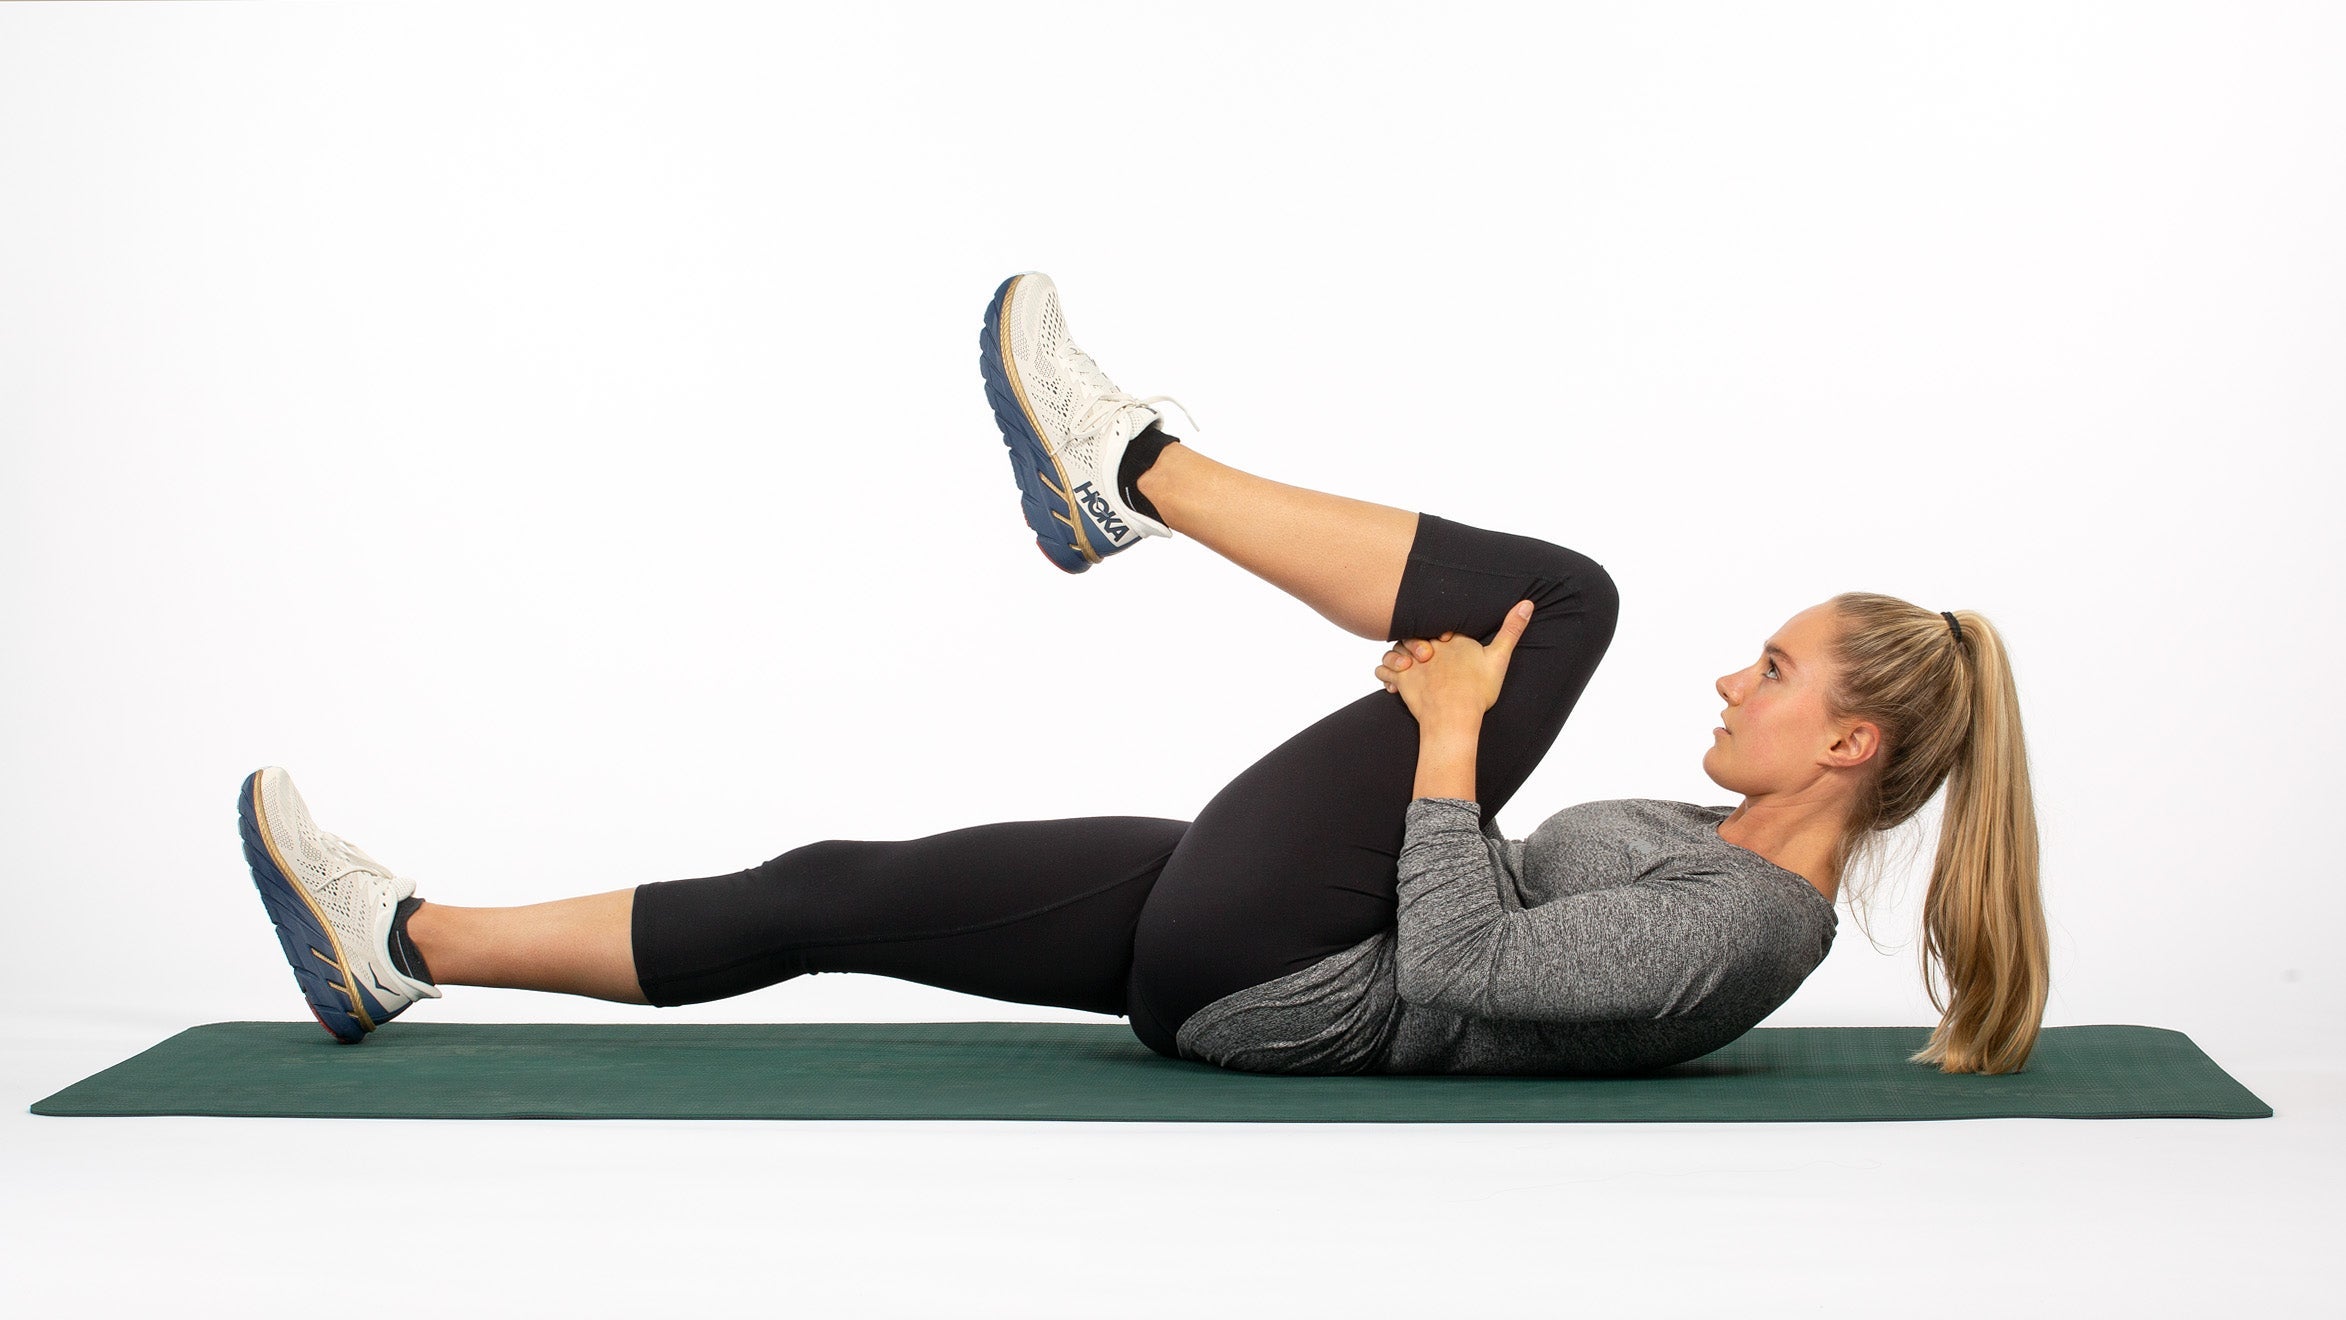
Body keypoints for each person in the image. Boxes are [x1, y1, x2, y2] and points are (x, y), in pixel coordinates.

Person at [237, 273, 2050, 1078]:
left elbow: (1477, 958)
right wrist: (1435, 758)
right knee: (836, 890)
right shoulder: (1695, 828)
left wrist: (1438, 750)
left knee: (1562, 599)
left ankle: (1137, 479)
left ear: (1850, 737)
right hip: (1261, 923)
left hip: (1292, 976)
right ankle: (401, 943)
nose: (1733, 676)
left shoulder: (1746, 927)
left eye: (1776, 665)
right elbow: (1486, 894)